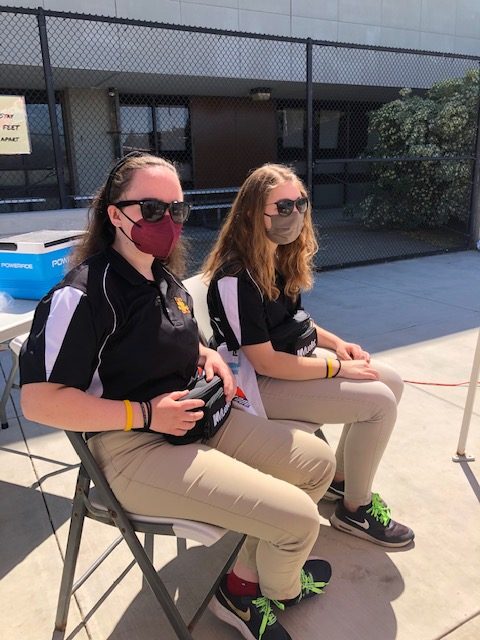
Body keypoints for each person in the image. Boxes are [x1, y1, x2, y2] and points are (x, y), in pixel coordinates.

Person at [19, 152, 337, 640]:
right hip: (132, 446)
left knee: (316, 463)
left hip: (195, 414)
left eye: (177, 210)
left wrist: (204, 355)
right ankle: (276, 589)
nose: (166, 221)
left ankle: (246, 585)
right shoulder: (83, 296)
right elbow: (40, 402)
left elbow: (176, 336)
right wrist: (144, 413)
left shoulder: (161, 276)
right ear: (115, 214)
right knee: (297, 520)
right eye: (151, 209)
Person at [204, 163, 414, 549]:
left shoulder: (279, 257)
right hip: (257, 385)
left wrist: (338, 344)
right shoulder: (236, 276)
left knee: (392, 383)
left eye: (300, 203)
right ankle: (356, 508)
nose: (295, 214)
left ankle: (340, 483)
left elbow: (296, 323)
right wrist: (335, 367)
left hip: (292, 367)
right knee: (379, 404)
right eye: (282, 207)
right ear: (253, 212)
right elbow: (264, 361)